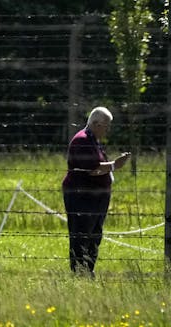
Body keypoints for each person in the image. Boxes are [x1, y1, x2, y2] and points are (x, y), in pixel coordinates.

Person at [61, 106, 130, 276]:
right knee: (82, 234)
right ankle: (80, 271)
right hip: (82, 197)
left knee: (94, 235)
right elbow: (92, 169)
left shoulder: (93, 141)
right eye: (106, 126)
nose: (108, 130)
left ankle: (88, 269)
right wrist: (115, 165)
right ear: (96, 123)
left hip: (95, 198)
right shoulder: (82, 140)